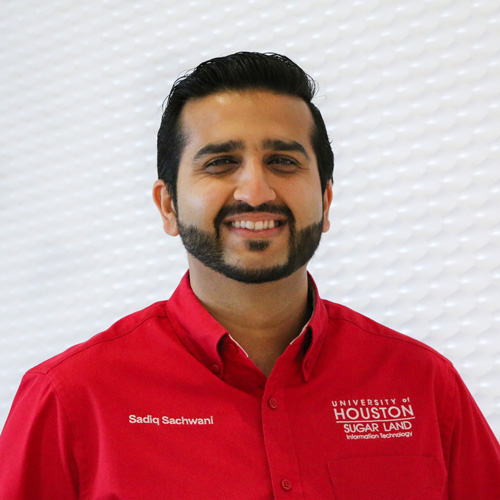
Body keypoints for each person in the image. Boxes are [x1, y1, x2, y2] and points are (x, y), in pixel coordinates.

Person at [0, 52, 499, 499]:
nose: (255, 191)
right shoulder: (67, 398)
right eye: (220, 163)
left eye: (283, 161)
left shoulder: (424, 386)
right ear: (168, 206)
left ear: (325, 201)